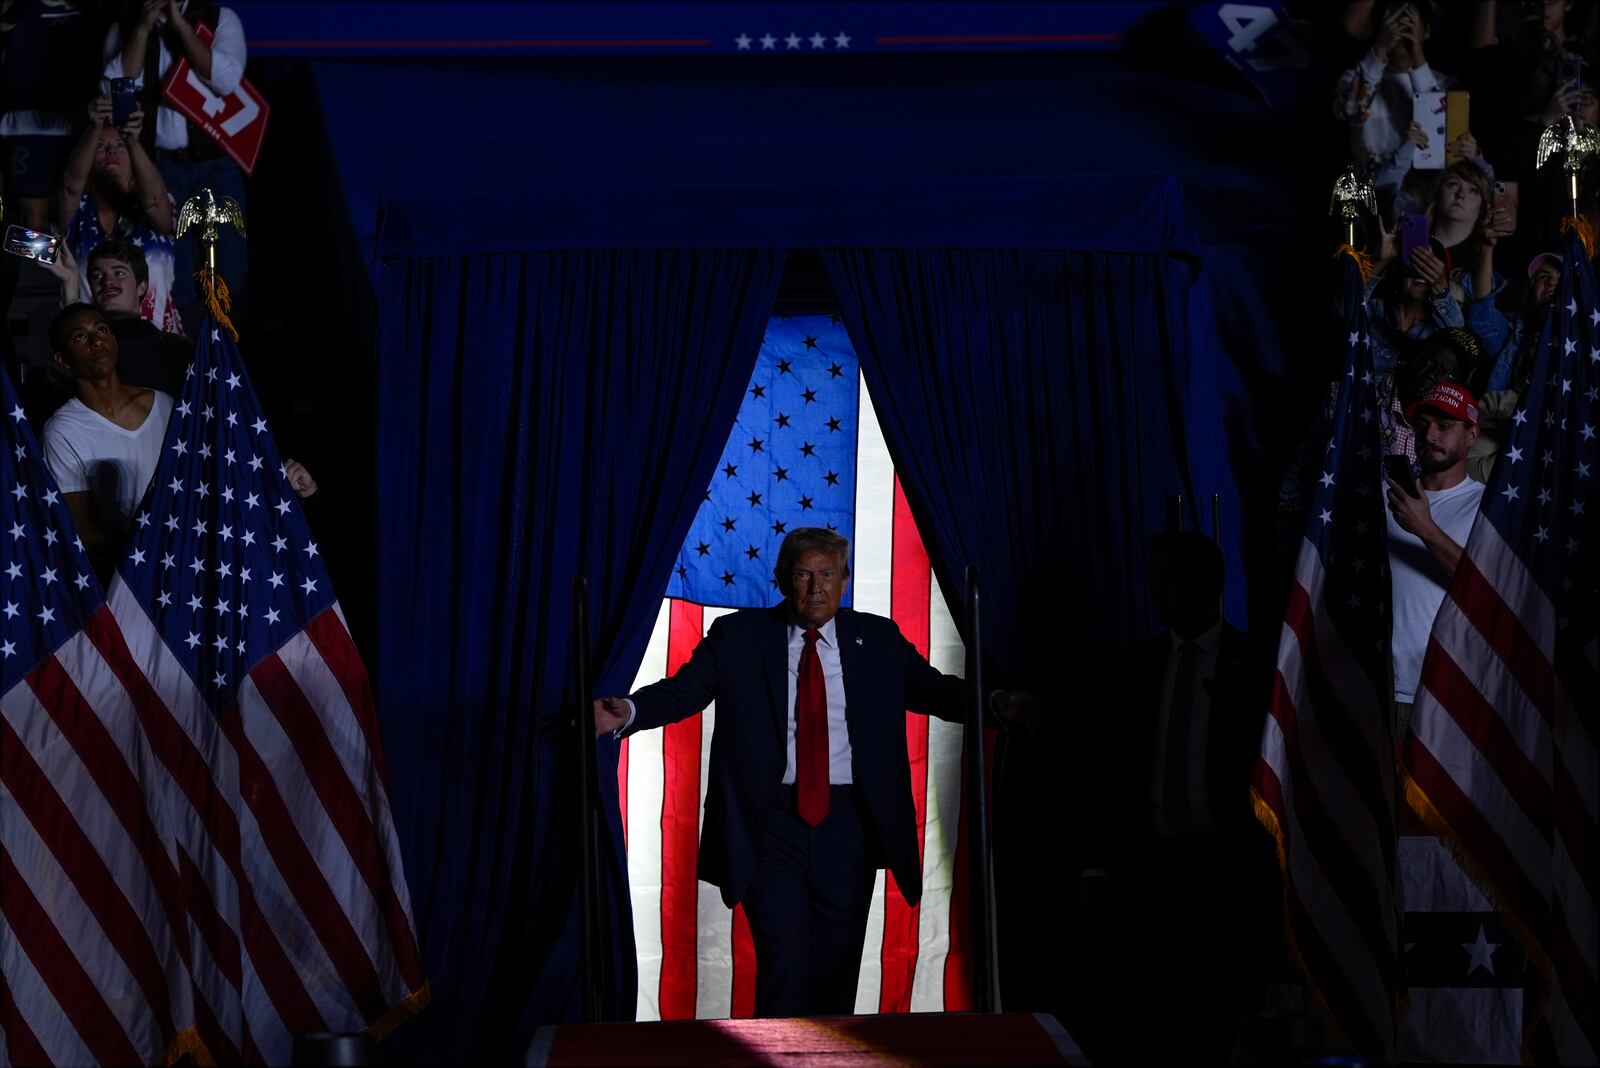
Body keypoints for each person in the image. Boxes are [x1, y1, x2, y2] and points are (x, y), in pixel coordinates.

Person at [593, 526, 1033, 1017]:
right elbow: (684, 691)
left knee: (835, 973)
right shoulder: (738, 636)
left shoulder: (878, 639)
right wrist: (627, 712)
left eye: (827, 574)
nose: (816, 587)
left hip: (849, 826)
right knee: (784, 967)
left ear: (844, 581)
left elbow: (933, 690)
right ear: (783, 580)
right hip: (769, 825)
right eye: (804, 574)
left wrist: (994, 702)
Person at [1075, 531, 1277, 1064]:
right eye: (1151, 581)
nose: (1155, 592)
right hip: (1150, 874)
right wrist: (1096, 870)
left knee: (1214, 1022)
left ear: (1209, 583)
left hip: (1228, 876)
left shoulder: (1257, 667)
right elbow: (1108, 776)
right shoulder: (1135, 666)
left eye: (1168, 579)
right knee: (1150, 1025)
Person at [42, 303, 315, 579]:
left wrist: (277, 486)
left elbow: (207, 481)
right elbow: (84, 533)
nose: (96, 340)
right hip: (131, 580)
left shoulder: (164, 405)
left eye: (102, 330)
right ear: (62, 359)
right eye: (80, 336)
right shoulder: (62, 431)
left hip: (188, 565)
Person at [102, 0, 249, 309]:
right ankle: (183, 352)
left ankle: (226, 353)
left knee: (229, 273)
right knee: (173, 277)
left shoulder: (219, 18)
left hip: (216, 165)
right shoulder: (128, 23)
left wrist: (180, 25)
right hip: (161, 169)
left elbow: (226, 80)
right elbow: (116, 86)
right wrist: (143, 28)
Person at [1385, 380, 1486, 734]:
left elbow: (1488, 589)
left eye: (1445, 427)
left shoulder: (1487, 507)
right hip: (1372, 680)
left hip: (1443, 688)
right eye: (1423, 424)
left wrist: (1424, 527)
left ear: (1472, 434)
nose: (1430, 435)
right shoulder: (1388, 496)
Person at [50, 93, 182, 335]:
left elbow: (155, 202)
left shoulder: (153, 205)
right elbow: (69, 187)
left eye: (119, 145)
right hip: (95, 343)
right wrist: (94, 127)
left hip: (157, 343)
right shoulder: (78, 212)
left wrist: (133, 140)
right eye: (100, 146)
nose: (111, 151)